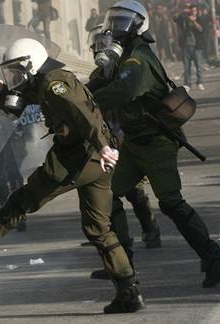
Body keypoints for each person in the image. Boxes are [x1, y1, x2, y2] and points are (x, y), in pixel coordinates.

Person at [0, 37, 145, 313]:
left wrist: (103, 145)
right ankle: (129, 291)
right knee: (99, 229)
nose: (14, 77)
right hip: (97, 162)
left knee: (22, 201)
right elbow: (29, 97)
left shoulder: (54, 83)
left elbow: (83, 113)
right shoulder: (45, 80)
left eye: (17, 70)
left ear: (31, 64)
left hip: (77, 159)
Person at [93, 0, 220, 289]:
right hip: (136, 143)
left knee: (171, 203)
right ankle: (121, 260)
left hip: (156, 142)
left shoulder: (138, 57)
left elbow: (124, 90)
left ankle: (213, 256)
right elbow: (104, 84)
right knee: (109, 195)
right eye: (114, 20)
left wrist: (87, 104)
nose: (116, 27)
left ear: (138, 25)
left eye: (123, 21)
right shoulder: (123, 55)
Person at [85, 24, 162, 280]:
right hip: (108, 141)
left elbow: (128, 91)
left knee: (135, 192)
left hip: (128, 137)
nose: (100, 48)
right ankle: (123, 252)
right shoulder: (99, 73)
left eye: (103, 44)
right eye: (97, 45)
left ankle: (150, 230)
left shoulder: (127, 67)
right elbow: (87, 97)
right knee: (111, 197)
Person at [174, 4, 205, 90]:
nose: (193, 12)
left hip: (196, 46)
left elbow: (201, 29)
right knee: (186, 67)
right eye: (191, 10)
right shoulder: (184, 19)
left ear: (197, 11)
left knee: (198, 65)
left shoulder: (199, 19)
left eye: (195, 11)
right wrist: (181, 12)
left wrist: (194, 21)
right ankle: (187, 84)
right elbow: (175, 19)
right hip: (186, 46)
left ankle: (200, 82)